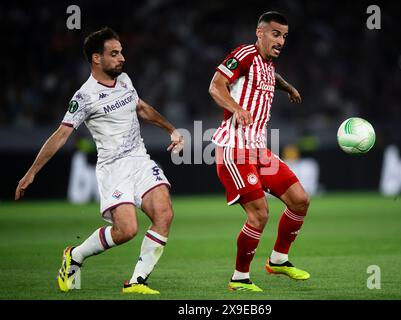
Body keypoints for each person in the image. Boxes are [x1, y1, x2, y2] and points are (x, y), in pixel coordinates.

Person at [15, 27, 184, 295]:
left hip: (139, 160)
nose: (122, 58)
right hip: (113, 168)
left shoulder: (125, 80)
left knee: (164, 213)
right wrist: (31, 172)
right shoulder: (85, 96)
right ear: (97, 58)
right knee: (127, 230)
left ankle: (137, 281)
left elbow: (141, 108)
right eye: (114, 54)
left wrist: (171, 129)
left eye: (121, 52)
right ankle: (75, 256)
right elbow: (61, 135)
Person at [208, 12, 310, 292]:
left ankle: (278, 259)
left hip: (258, 150)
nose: (281, 41)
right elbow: (215, 86)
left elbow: (270, 77)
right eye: (275, 34)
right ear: (260, 33)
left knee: (300, 200)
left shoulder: (266, 64)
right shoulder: (244, 54)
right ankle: (239, 278)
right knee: (259, 215)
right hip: (234, 149)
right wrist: (237, 109)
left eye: (284, 36)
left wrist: (287, 87)